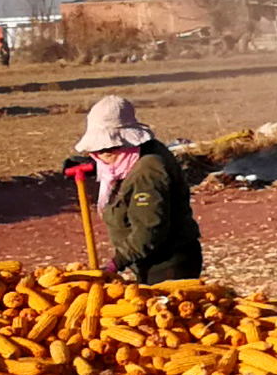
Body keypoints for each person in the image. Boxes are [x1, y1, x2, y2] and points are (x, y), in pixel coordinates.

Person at [71, 95, 202, 283]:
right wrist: (90, 165)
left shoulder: (148, 172)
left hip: (167, 265)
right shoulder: (140, 151)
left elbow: (149, 230)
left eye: (107, 148)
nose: (102, 154)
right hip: (150, 261)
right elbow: (116, 163)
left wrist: (116, 263)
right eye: (97, 150)